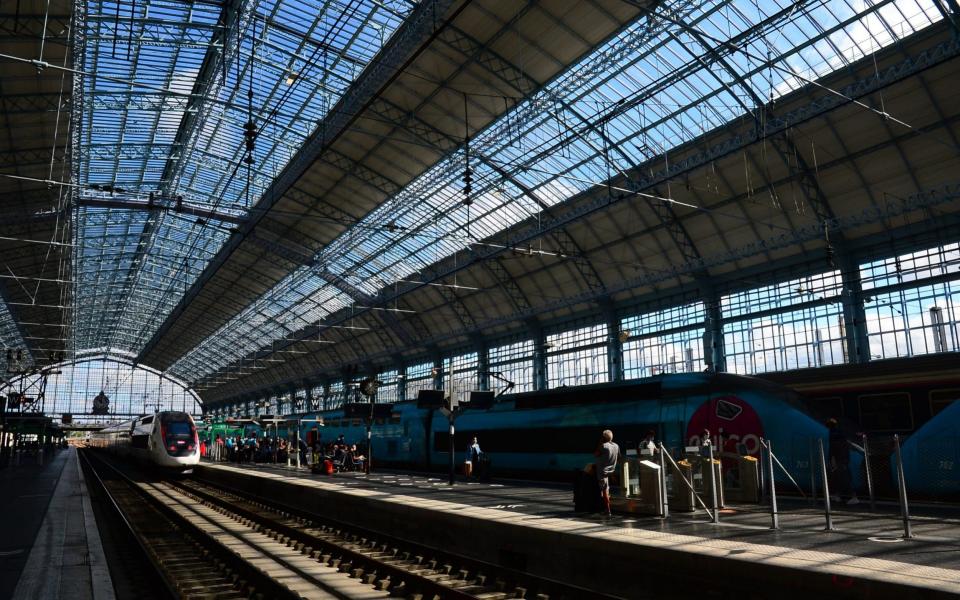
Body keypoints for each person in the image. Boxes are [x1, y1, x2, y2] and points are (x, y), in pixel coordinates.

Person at [827, 418, 859, 505]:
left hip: (839, 459)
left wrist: (831, 459)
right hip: (843, 458)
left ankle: (853, 496)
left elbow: (833, 448)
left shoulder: (833, 434)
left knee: (843, 478)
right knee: (839, 477)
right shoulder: (840, 434)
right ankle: (837, 495)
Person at [594, 429, 620, 517]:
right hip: (611, 470)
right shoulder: (616, 446)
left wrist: (600, 443)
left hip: (602, 471)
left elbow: (596, 454)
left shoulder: (603, 446)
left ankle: (608, 510)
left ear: (604, 437)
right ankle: (606, 507)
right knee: (606, 489)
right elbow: (619, 456)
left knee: (604, 490)